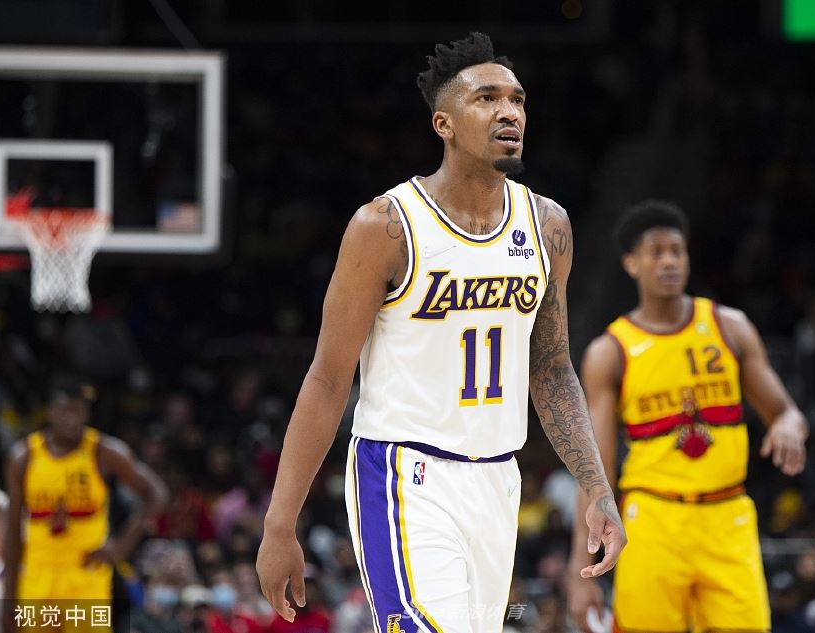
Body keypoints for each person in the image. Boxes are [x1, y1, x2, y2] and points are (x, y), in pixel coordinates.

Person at [256, 32, 626, 632]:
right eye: (487, 98)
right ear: (443, 124)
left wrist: (596, 488)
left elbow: (553, 369)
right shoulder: (384, 226)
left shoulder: (548, 225)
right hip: (404, 475)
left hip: (498, 479)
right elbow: (327, 378)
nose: (509, 112)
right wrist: (279, 524)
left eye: (517, 99)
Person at [567, 200, 809, 633]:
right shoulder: (610, 352)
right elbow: (595, 468)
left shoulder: (729, 327)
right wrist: (578, 570)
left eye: (677, 251)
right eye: (656, 252)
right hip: (652, 518)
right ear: (631, 263)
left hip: (727, 515)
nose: (669, 261)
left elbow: (786, 412)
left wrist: (789, 425)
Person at [2, 375, 169, 632]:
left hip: (85, 575)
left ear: (87, 414)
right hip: (36, 575)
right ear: (50, 411)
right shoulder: (23, 457)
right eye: (65, 410)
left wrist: (122, 546)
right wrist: (9, 599)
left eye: (78, 410)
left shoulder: (104, 451)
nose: (72, 418)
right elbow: (13, 530)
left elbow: (157, 493)